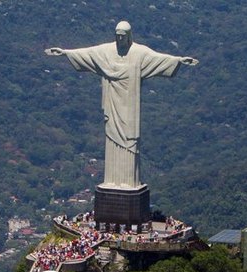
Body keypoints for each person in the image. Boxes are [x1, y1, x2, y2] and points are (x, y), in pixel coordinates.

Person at [46, 21, 198, 188]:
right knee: (111, 137)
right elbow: (87, 53)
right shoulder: (106, 51)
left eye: (123, 36)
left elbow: (158, 58)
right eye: (117, 36)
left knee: (129, 139)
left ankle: (128, 181)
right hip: (112, 103)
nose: (120, 39)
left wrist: (179, 60)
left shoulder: (139, 53)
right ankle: (112, 181)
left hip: (130, 105)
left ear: (129, 36)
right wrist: (65, 53)